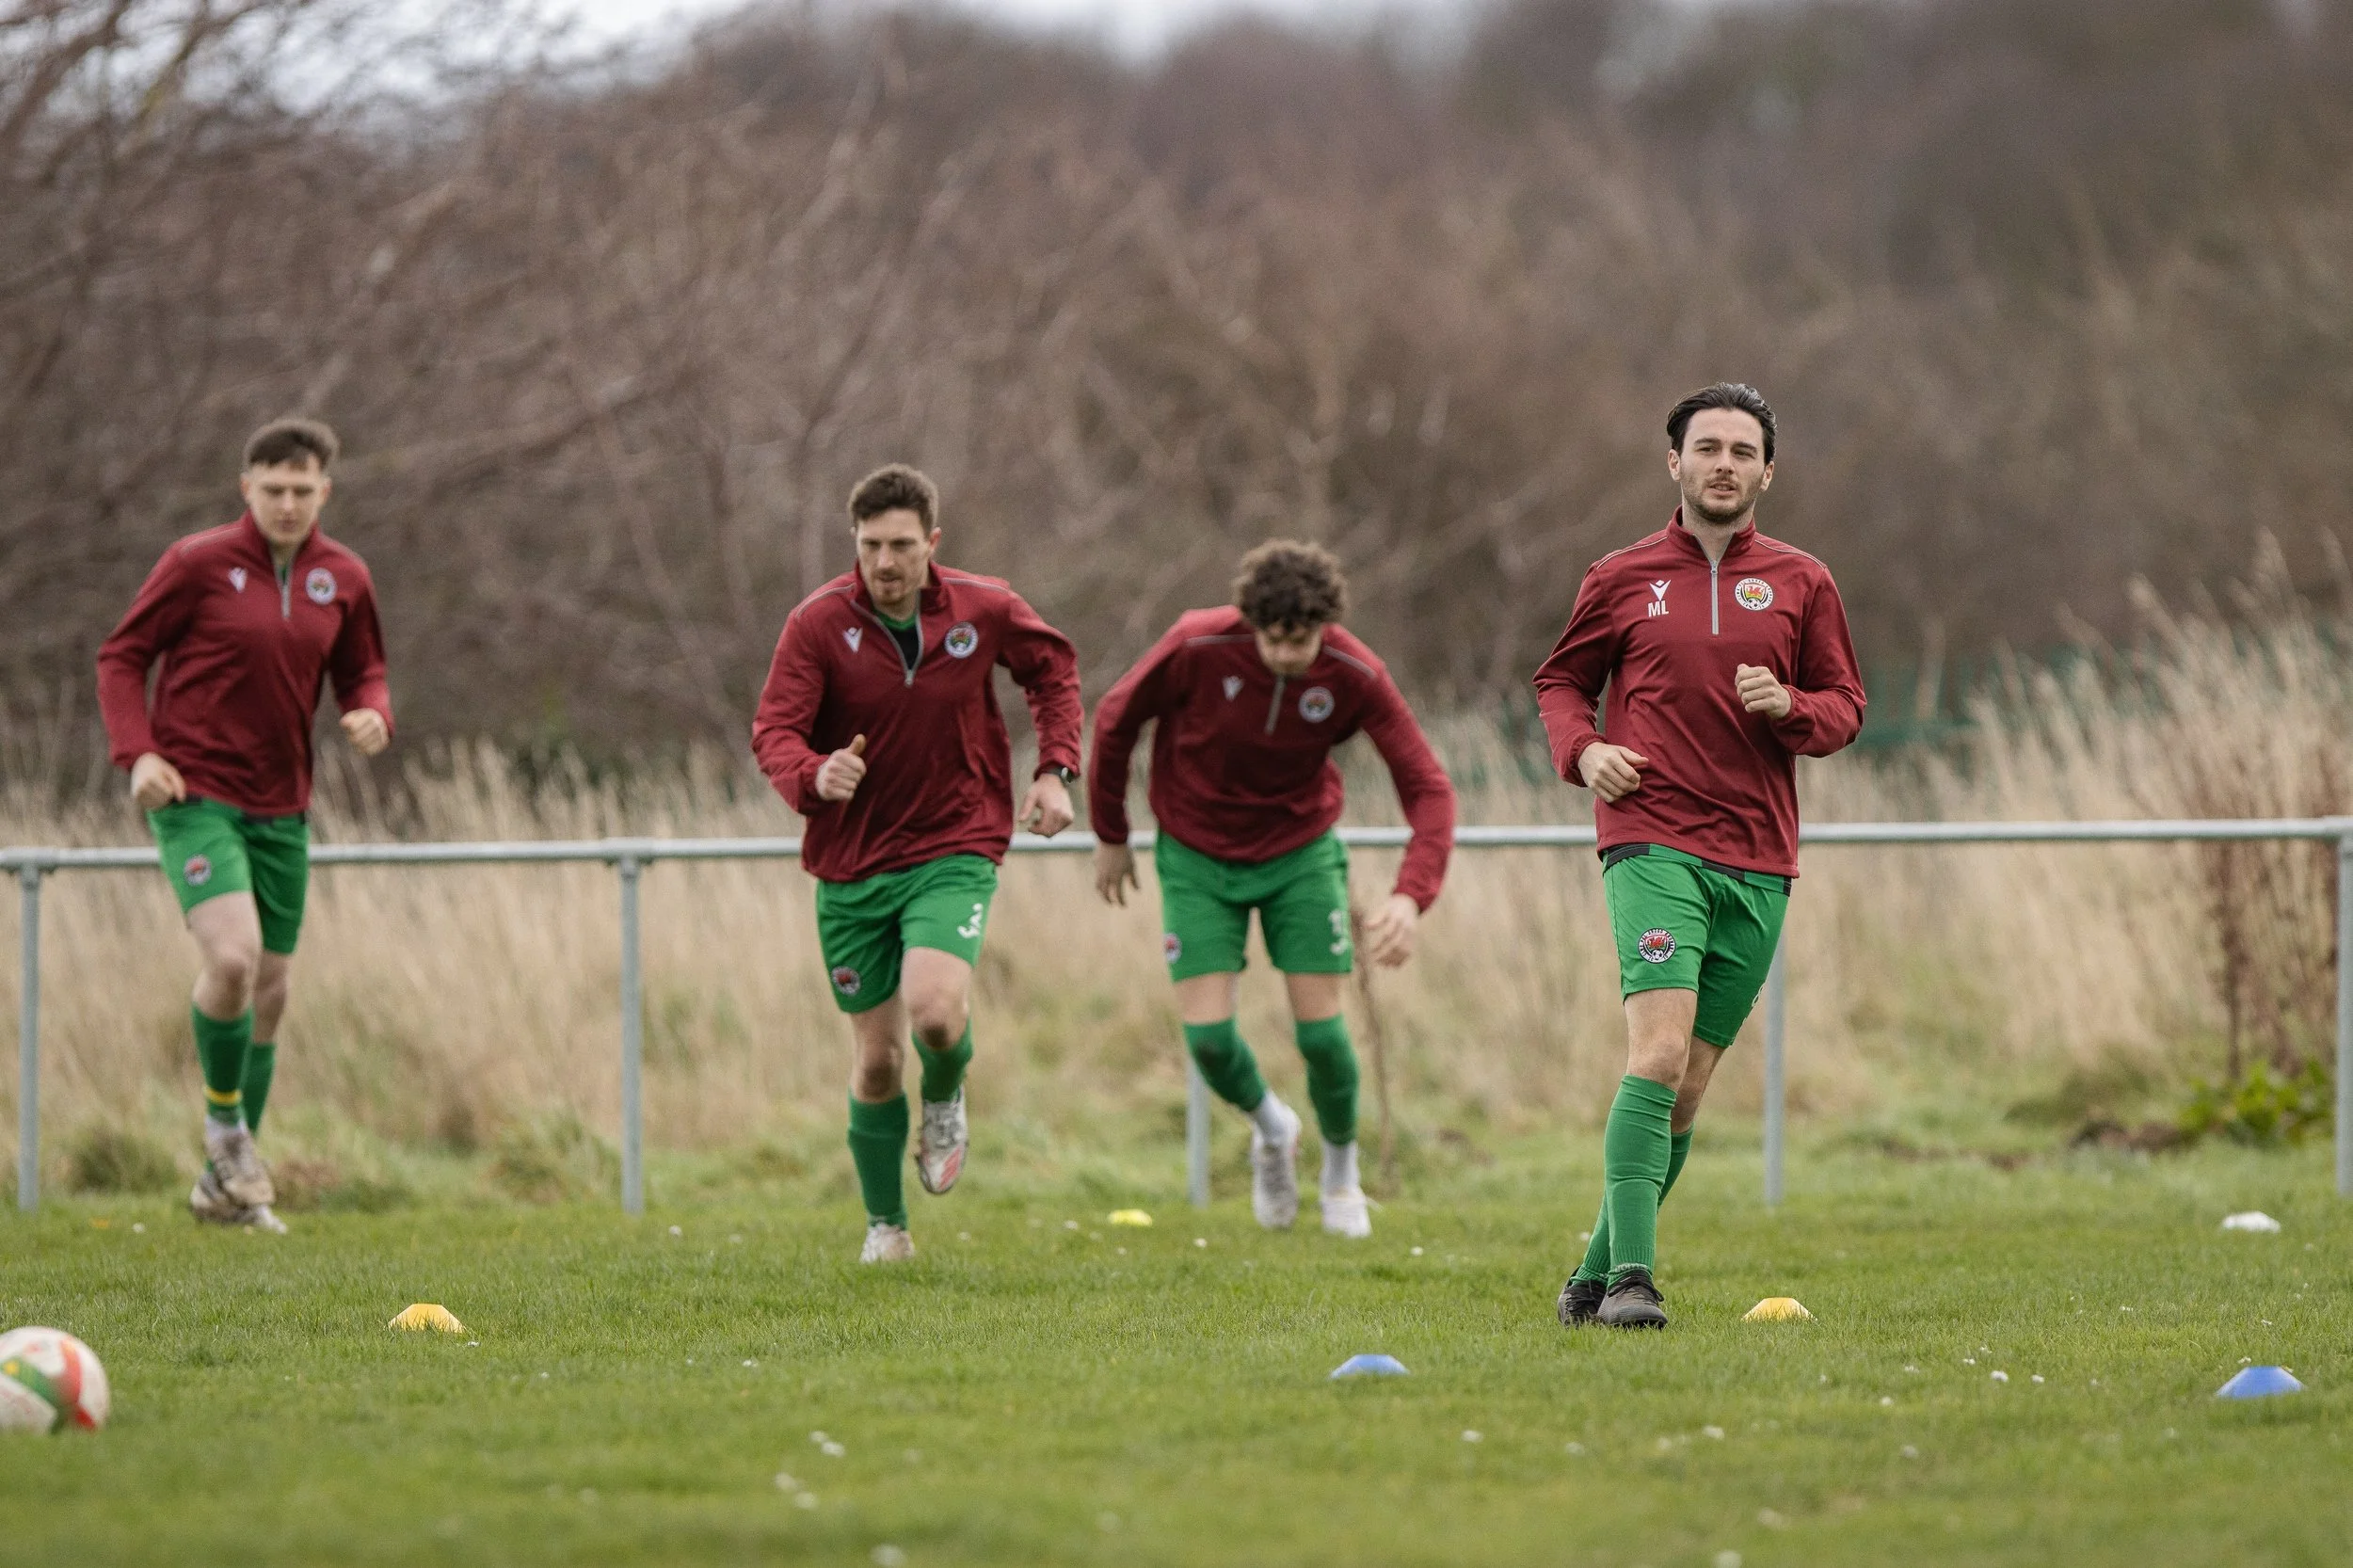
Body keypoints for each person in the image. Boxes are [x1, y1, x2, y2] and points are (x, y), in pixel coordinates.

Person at [1534, 383, 1865, 1328]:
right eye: (1705, 446)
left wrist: (1790, 709)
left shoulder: (1803, 581)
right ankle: (1634, 1279)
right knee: (1659, 1049)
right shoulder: (1620, 575)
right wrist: (1584, 750)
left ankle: (1591, 1278)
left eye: (1741, 449)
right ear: (1672, 462)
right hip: (1649, 836)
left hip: (1760, 854)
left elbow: (1845, 705)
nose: (1722, 462)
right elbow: (1561, 680)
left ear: (1767, 470)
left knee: (1687, 1086)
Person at [752, 464, 1083, 1263]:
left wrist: (1054, 770)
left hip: (954, 842)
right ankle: (886, 1228)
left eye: (902, 545)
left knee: (935, 1012)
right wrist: (813, 774)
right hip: (853, 863)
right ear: (854, 545)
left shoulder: (985, 607)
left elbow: (1054, 672)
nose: (886, 562)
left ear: (933, 543)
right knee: (874, 1062)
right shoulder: (818, 624)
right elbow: (774, 732)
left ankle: (945, 1097)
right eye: (870, 546)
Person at [1088, 542, 1455, 1238]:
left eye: (1303, 641)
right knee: (1210, 1040)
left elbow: (1428, 786)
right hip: (1195, 855)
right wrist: (1111, 831)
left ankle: (1341, 1176)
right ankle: (1272, 1127)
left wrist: (1411, 895)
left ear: (1325, 628)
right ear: (1250, 621)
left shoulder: (1353, 671)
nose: (1289, 655)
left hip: (1300, 856)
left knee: (1322, 1037)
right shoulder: (1198, 643)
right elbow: (1115, 719)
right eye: (1276, 640)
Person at [97, 417, 393, 1233]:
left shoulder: (345, 577)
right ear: (246, 489)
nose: (289, 504)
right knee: (232, 959)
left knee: (271, 988)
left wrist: (371, 710)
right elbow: (121, 657)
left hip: (283, 807)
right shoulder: (197, 564)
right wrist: (139, 756)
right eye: (274, 491)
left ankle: (222, 1189)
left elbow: (362, 668)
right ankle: (227, 1131)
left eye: (303, 491)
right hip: (196, 798)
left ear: (324, 491)